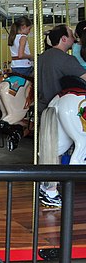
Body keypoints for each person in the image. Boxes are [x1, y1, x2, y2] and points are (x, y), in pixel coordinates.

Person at [37, 24, 86, 208]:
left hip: (45, 106)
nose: (74, 40)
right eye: (71, 37)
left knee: (52, 149)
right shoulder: (65, 59)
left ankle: (48, 188)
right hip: (63, 105)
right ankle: (64, 184)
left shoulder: (42, 57)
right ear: (64, 39)